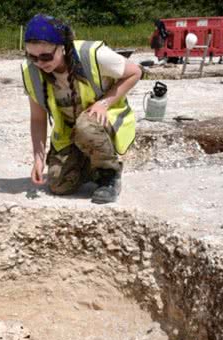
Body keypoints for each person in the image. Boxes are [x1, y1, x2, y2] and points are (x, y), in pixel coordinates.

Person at [22, 15, 141, 204]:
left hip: (101, 122)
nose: (39, 63)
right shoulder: (32, 72)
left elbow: (135, 72)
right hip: (71, 131)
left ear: (62, 46)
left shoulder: (92, 55)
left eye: (46, 56)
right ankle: (89, 165)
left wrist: (103, 104)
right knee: (59, 185)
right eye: (32, 57)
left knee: (86, 126)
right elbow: (37, 118)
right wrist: (38, 157)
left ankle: (108, 174)